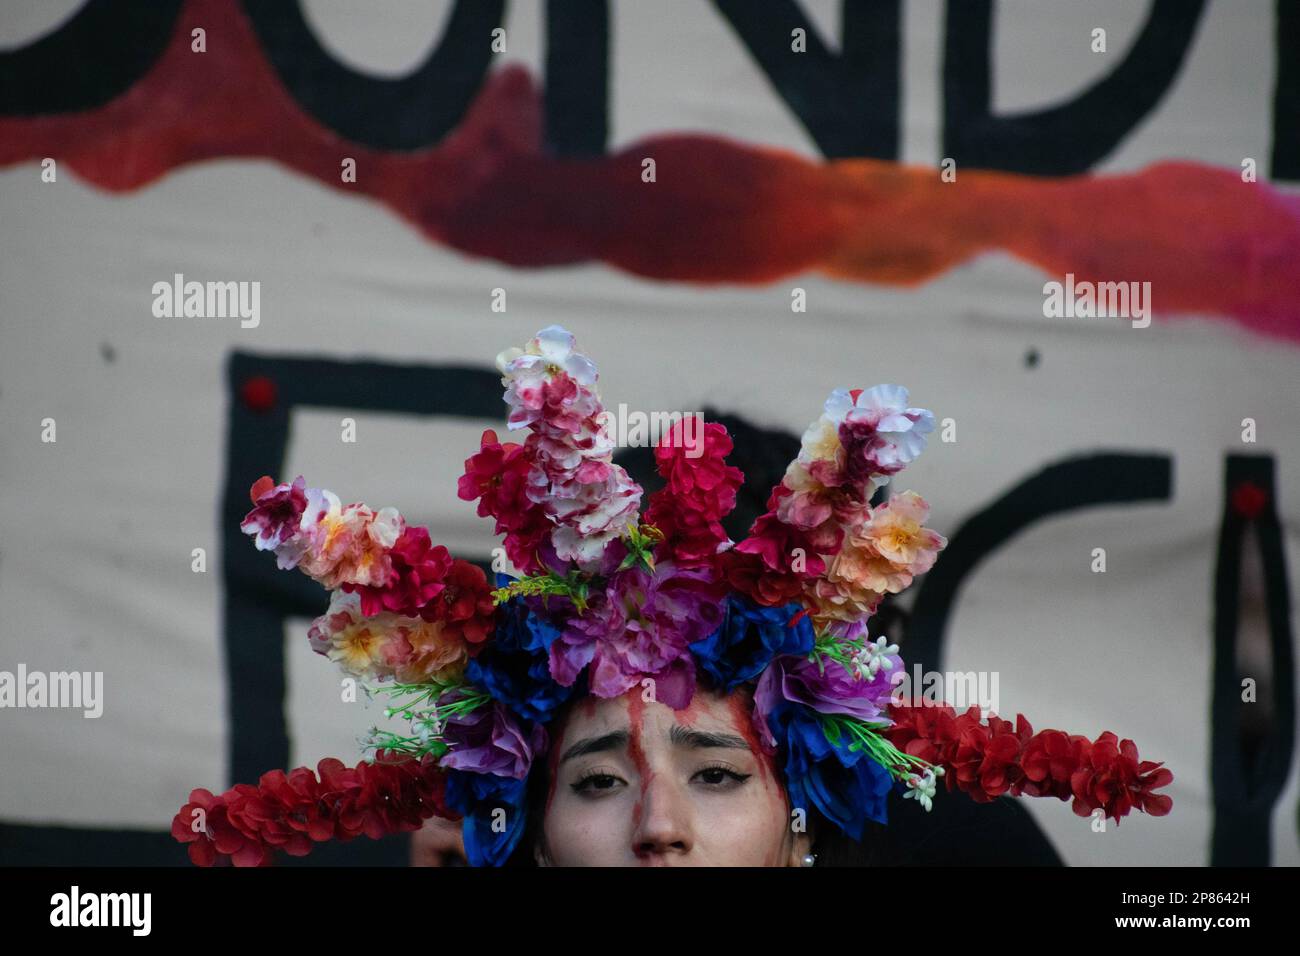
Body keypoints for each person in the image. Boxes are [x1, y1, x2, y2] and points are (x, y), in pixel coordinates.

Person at [173, 325, 1173, 868]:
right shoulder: (499, 818)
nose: (660, 823)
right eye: (599, 777)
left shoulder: (956, 838)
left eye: (720, 771)